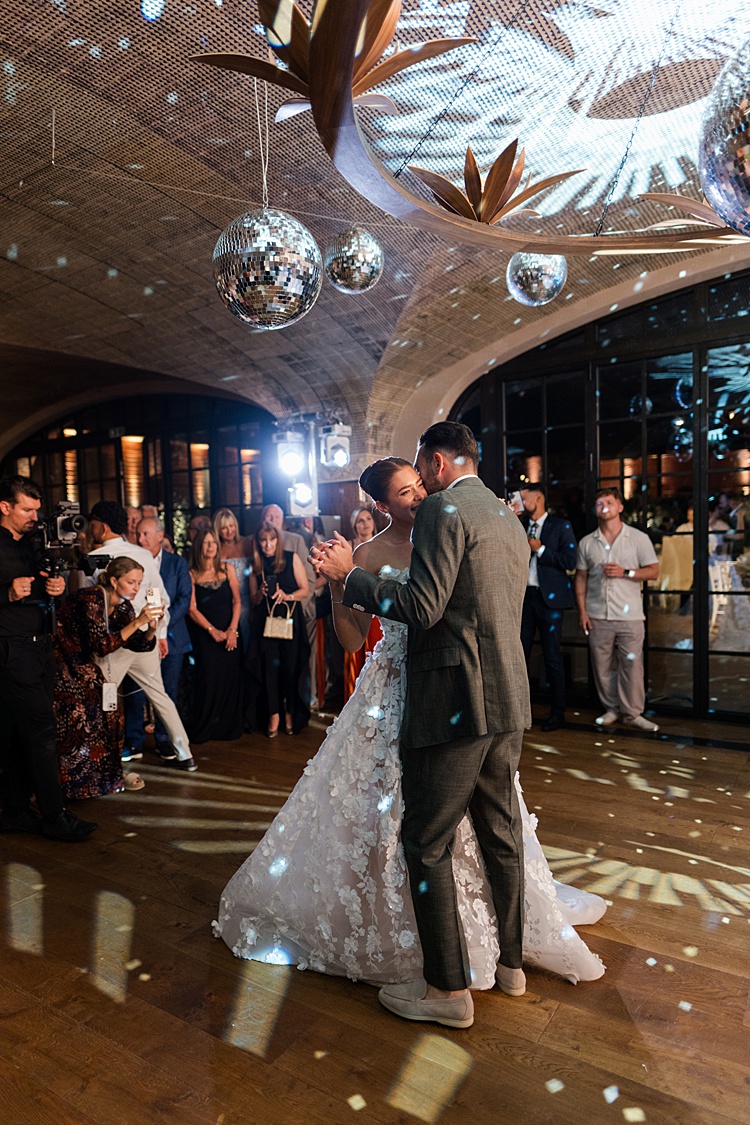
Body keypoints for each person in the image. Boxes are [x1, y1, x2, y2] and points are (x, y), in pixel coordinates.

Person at [214, 451, 605, 1022]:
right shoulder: (369, 553)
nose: (419, 495)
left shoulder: (452, 525)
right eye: (404, 491)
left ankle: (475, 966)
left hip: (455, 693)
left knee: (457, 828)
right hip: (399, 691)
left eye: (420, 483)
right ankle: (418, 943)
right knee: (394, 818)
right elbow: (351, 640)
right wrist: (335, 584)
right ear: (380, 504)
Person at [0, 475, 98, 841]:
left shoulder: (32, 544)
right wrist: (6, 592)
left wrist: (52, 588)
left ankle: (15, 810)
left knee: (17, 732)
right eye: (27, 508)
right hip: (11, 648)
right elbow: (11, 591)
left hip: (40, 647)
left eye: (36, 509)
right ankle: (55, 817)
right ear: (5, 507)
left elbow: (41, 586)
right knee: (43, 731)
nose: (33, 515)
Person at [84, 501, 196, 771]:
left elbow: (87, 606)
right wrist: (157, 632)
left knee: (104, 697)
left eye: (93, 523)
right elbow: (159, 597)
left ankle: (101, 757)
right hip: (146, 639)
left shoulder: (92, 559)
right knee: (161, 697)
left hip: (115, 642)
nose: (91, 528)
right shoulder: (142, 554)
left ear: (103, 526)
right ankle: (185, 754)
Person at [54, 557, 162, 798]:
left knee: (113, 713)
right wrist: (138, 622)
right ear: (114, 580)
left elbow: (137, 644)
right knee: (79, 713)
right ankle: (72, 784)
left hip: (85, 664)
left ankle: (105, 778)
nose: (136, 588)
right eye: (131, 582)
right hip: (60, 659)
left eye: (139, 583)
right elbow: (101, 646)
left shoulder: (124, 606)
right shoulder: (91, 597)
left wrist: (152, 628)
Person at [575, 487, 660, 733]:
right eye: (599, 504)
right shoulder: (587, 543)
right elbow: (580, 579)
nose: (604, 508)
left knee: (632, 666)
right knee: (601, 666)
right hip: (597, 614)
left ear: (620, 507)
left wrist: (626, 572)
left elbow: (654, 571)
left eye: (609, 503)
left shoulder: (638, 538)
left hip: (630, 615)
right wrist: (582, 611)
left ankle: (633, 713)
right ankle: (611, 708)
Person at [517, 484, 577, 732]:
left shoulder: (560, 526)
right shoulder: (518, 525)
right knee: (520, 657)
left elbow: (570, 562)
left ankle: (557, 713)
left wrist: (540, 549)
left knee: (552, 657)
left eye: (523, 497)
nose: (520, 501)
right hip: (524, 598)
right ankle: (519, 713)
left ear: (538, 497)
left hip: (549, 599)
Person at [136, 517, 193, 759]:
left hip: (173, 637)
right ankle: (134, 741)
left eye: (146, 534)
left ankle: (163, 739)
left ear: (160, 535)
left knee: (167, 690)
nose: (140, 539)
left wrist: (164, 629)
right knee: (138, 691)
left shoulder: (176, 563)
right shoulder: (134, 560)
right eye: (138, 534)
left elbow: (183, 598)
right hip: (141, 637)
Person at [247, 521, 310, 737]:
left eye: (271, 540)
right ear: (258, 542)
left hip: (291, 619)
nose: (267, 545)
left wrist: (287, 596)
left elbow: (305, 589)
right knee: (269, 670)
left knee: (290, 668)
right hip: (266, 623)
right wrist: (261, 592)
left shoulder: (291, 557)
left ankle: (290, 713)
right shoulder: (256, 565)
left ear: (278, 540)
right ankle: (273, 714)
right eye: (263, 540)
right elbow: (253, 600)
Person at [186, 529, 244, 743]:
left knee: (231, 679)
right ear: (199, 546)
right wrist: (212, 631)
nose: (211, 546)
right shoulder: (192, 573)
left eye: (213, 542)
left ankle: (229, 728)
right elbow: (191, 609)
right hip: (205, 635)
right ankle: (207, 729)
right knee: (208, 680)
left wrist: (232, 630)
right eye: (206, 542)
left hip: (231, 632)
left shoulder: (227, 568)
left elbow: (237, 601)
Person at [343, 506, 382, 701]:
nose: (365, 523)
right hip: (355, 607)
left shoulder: (382, 544)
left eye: (368, 519)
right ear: (354, 526)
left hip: (378, 611)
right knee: (357, 652)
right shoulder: (349, 548)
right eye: (360, 520)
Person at [214, 508, 252, 654]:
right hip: (224, 601)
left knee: (247, 642)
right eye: (224, 528)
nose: (229, 531)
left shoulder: (246, 543)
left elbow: (256, 571)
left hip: (247, 599)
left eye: (231, 526)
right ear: (218, 529)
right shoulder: (215, 548)